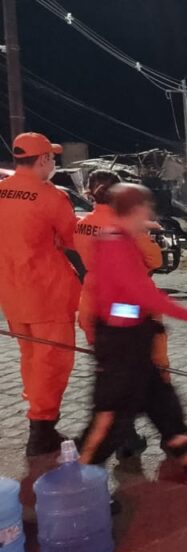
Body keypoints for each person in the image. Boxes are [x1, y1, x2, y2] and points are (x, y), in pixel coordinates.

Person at [78, 183, 187, 485]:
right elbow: (142, 297)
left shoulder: (119, 236)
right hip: (121, 349)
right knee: (109, 420)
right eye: (146, 208)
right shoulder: (115, 244)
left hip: (133, 343)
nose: (150, 213)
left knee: (166, 409)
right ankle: (78, 483)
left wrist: (140, 321)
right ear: (136, 209)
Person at [0, 133, 81, 457]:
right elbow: (74, 239)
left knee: (32, 360)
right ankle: (42, 430)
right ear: (44, 159)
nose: (54, 163)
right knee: (53, 362)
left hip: (13, 296)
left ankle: (39, 421)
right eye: (53, 158)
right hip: (48, 295)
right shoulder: (50, 197)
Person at [75, 170, 164, 460]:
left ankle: (122, 437)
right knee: (148, 365)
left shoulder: (82, 225)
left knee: (110, 370)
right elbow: (154, 259)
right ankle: (155, 433)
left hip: (92, 302)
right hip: (126, 304)